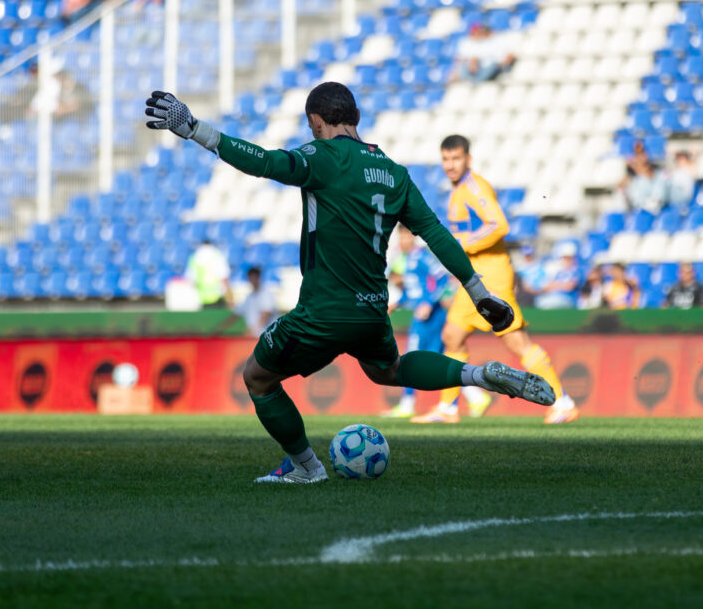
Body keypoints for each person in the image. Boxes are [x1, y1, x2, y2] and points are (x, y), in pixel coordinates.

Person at [146, 84, 556, 483]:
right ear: (356, 117)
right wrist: (479, 292)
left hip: (321, 312)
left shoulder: (321, 157)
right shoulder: (394, 173)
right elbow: (435, 233)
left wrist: (194, 128)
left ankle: (307, 467)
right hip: (372, 311)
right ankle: (478, 376)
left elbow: (264, 162)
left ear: (315, 122)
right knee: (389, 369)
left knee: (257, 377)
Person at [411, 135, 579, 425]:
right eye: (446, 159)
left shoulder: (474, 188)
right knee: (452, 336)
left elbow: (499, 225)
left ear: (468, 159)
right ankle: (448, 408)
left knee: (516, 342)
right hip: (473, 276)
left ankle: (562, 402)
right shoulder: (457, 190)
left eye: (456, 158)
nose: (450, 165)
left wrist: (463, 244)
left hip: (492, 275)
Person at [383, 226, 491, 419]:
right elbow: (414, 290)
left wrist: (429, 303)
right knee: (439, 360)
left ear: (413, 237)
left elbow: (443, 280)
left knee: (411, 358)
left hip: (432, 316)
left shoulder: (422, 256)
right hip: (423, 314)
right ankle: (476, 396)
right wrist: (396, 303)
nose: (404, 240)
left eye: (407, 236)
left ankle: (408, 405)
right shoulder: (407, 259)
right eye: (401, 237)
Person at [184, 238, 231, 309]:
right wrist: (229, 297)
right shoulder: (217, 255)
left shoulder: (194, 257)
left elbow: (191, 280)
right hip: (217, 296)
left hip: (201, 298)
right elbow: (224, 277)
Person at [232, 265, 277, 337]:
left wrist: (252, 331)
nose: (253, 280)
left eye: (255, 277)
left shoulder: (266, 294)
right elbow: (235, 315)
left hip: (267, 336)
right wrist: (219, 330)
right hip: (255, 336)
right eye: (251, 277)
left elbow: (266, 315)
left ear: (259, 277)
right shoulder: (249, 297)